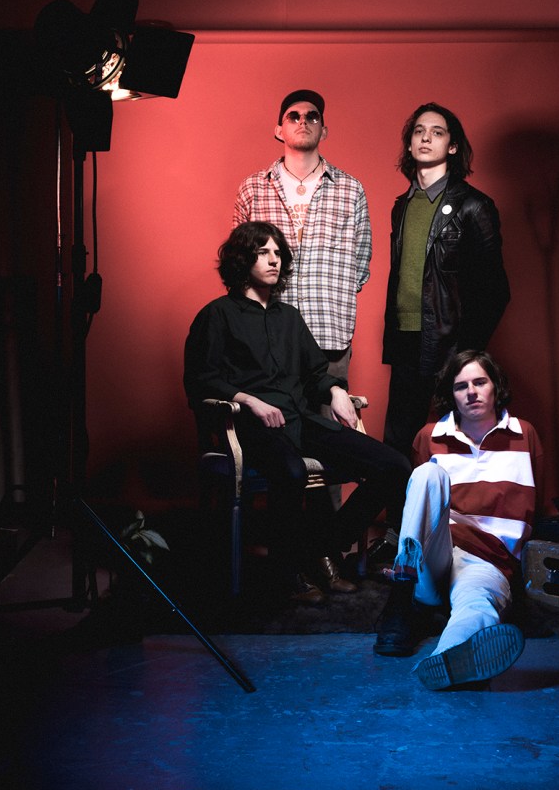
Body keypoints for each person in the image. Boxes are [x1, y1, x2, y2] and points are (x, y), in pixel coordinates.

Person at [184, 221, 411, 605]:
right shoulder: (217, 315)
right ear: (242, 259)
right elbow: (201, 379)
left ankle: (322, 549)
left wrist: (337, 391)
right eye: (264, 253)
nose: (275, 260)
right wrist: (250, 400)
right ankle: (285, 570)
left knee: (394, 465)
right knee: (290, 472)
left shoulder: (289, 317)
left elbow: (316, 373)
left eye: (278, 253)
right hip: (249, 426)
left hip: (299, 419)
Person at [371, 103, 511, 570]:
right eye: (417, 131)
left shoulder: (474, 206)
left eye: (437, 132)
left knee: (456, 449)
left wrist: (467, 356)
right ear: (410, 143)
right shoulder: (401, 206)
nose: (425, 138)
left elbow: (496, 291)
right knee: (398, 448)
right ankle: (397, 539)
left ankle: (466, 543)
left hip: (452, 348)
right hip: (406, 342)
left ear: (453, 145)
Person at [373, 350, 544, 691]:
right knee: (426, 476)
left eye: (480, 382)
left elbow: (533, 504)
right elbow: (423, 505)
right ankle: (402, 586)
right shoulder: (429, 436)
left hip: (488, 560)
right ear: (450, 395)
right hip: (433, 556)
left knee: (476, 605)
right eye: (461, 386)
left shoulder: (524, 434)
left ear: (495, 386)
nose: (472, 392)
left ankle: (449, 657)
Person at [233, 89, 371, 392]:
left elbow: (360, 265)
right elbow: (238, 264)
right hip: (266, 337)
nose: (302, 121)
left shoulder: (350, 190)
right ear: (278, 130)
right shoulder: (253, 189)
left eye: (312, 116)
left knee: (329, 432)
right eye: (292, 116)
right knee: (273, 431)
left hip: (330, 336)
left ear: (324, 129)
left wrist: (333, 295)